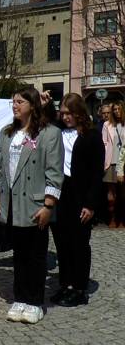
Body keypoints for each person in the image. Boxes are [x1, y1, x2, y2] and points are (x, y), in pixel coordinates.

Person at [0, 87, 64, 324]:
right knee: (19, 254)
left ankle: (34, 301)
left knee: (35, 254)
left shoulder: (49, 133)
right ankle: (20, 297)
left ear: (32, 105)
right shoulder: (6, 133)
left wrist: (49, 205)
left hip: (35, 203)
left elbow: (54, 172)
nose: (15, 105)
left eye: (20, 101)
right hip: (11, 202)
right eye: (13, 101)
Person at [49, 94, 105, 307]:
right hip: (61, 191)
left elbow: (96, 173)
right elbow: (46, 121)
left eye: (69, 113)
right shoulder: (59, 132)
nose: (65, 117)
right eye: (62, 113)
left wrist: (90, 204)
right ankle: (66, 284)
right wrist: (47, 105)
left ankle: (80, 287)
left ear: (79, 112)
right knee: (62, 242)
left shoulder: (91, 136)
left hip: (80, 193)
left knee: (79, 243)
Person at [102, 102, 124, 227]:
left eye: (118, 109)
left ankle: (121, 219)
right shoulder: (107, 125)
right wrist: (104, 161)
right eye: (114, 109)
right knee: (111, 195)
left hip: (123, 162)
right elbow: (104, 143)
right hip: (110, 162)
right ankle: (112, 218)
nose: (116, 111)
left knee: (122, 194)